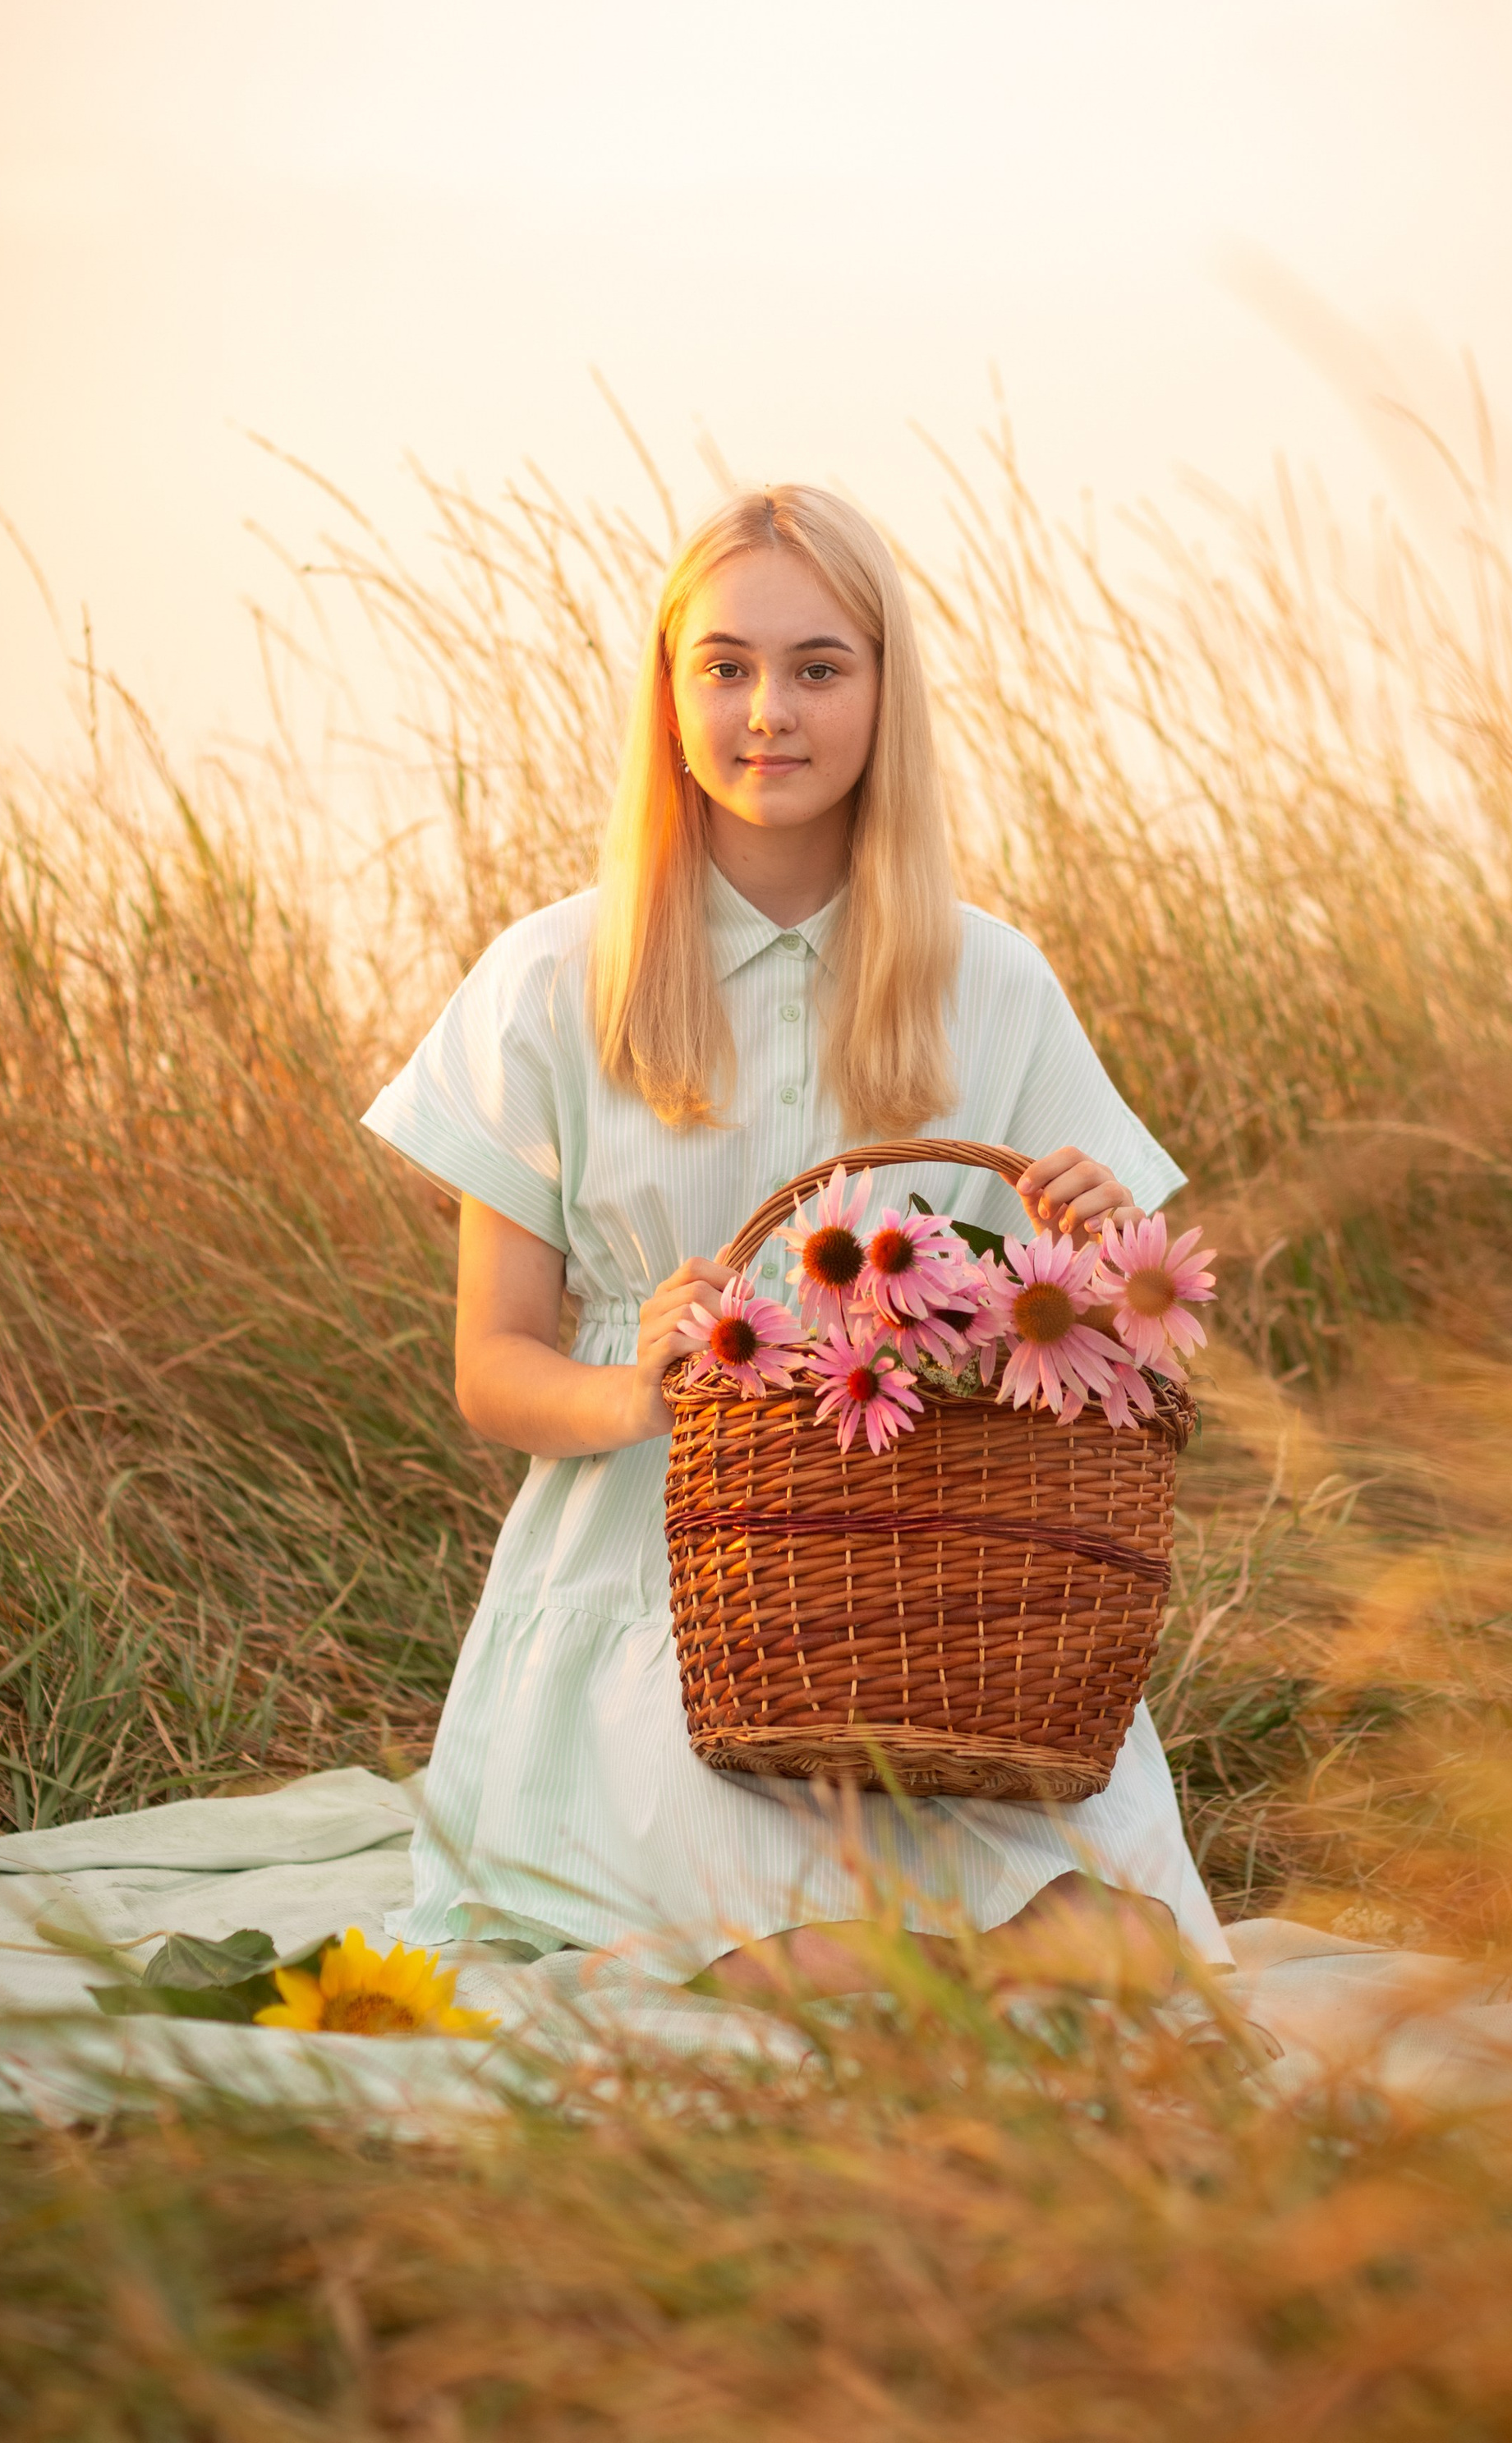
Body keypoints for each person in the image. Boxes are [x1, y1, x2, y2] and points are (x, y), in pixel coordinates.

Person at [362, 485, 1231, 1998]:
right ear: (669, 689)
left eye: (821, 667)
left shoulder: (988, 977)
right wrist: (645, 1387)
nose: (771, 710)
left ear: (887, 693)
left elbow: (1099, 1351)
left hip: (936, 1585)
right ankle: (929, 1969)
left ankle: (1001, 1952)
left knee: (1110, 1931)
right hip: (655, 1576)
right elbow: (493, 1371)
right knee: (783, 1934)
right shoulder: (556, 976)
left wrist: (1084, 1256)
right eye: (727, 666)